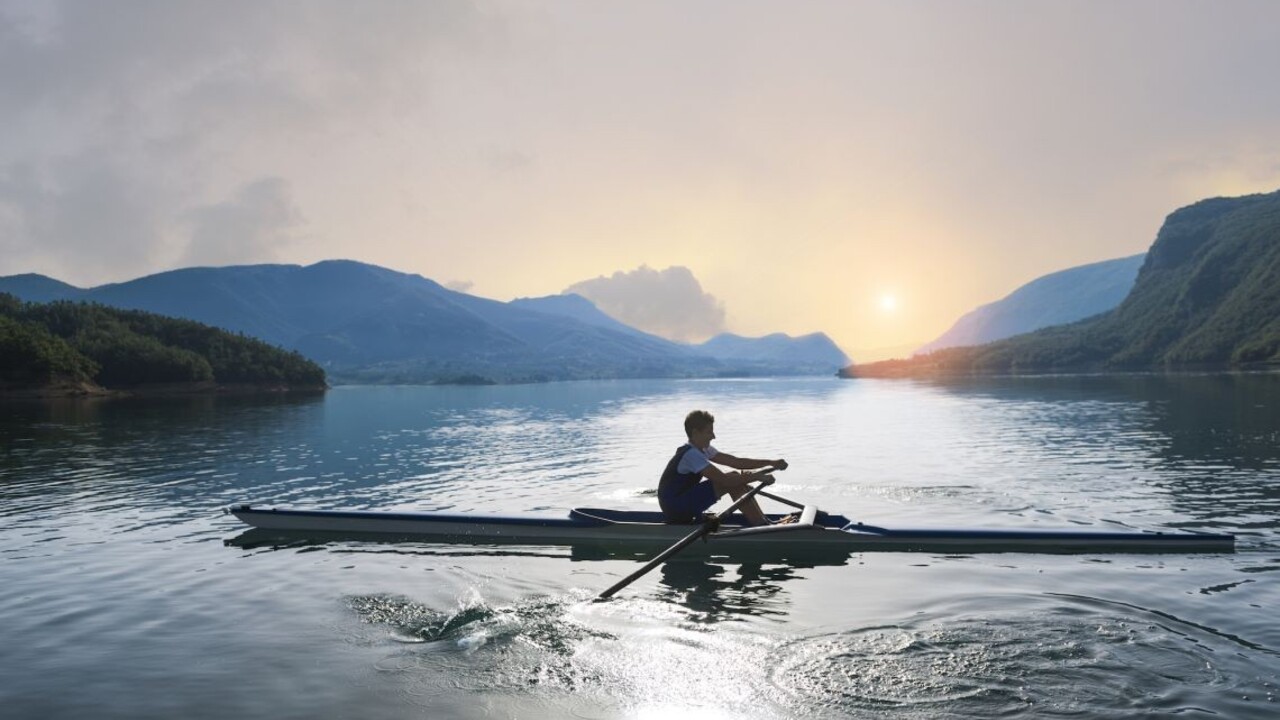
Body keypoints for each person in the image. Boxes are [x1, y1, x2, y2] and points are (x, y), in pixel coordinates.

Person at [657, 409, 788, 525]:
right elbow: (724, 481)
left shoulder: (703, 449)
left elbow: (736, 462)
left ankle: (762, 521)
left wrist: (771, 462)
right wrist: (757, 477)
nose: (714, 436)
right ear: (696, 433)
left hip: (682, 502)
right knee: (733, 480)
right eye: (709, 432)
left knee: (736, 478)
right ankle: (760, 525)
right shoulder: (691, 454)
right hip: (676, 507)